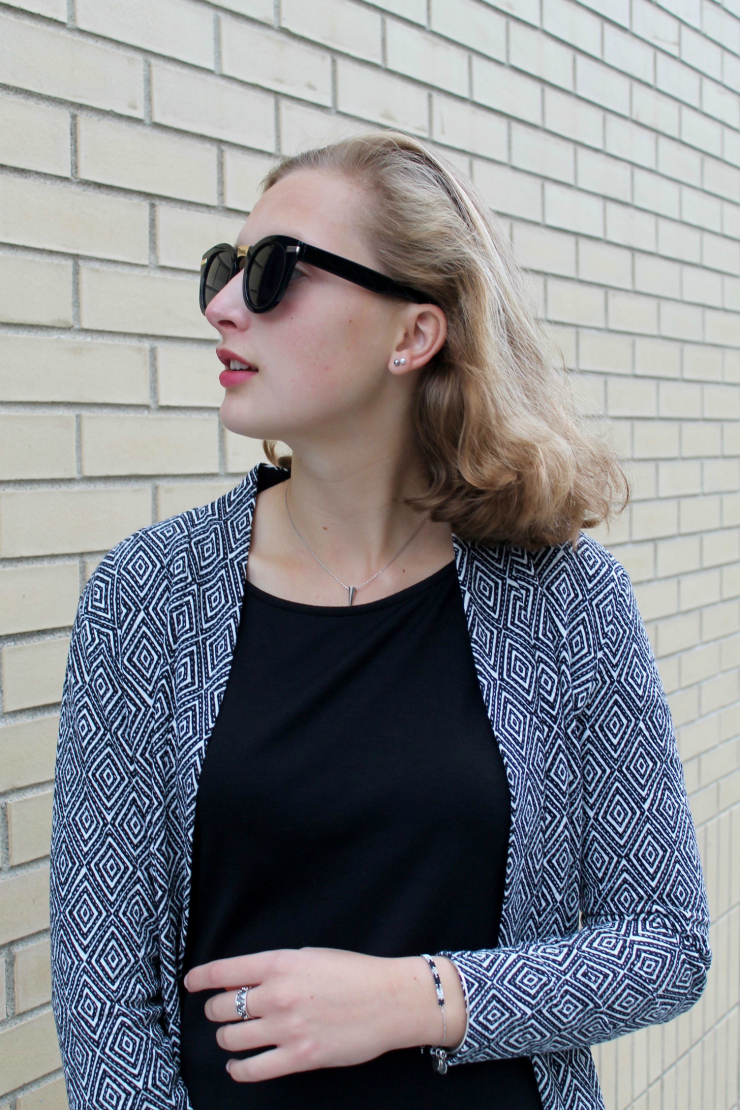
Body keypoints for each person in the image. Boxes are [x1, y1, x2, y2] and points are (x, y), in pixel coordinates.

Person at [50, 129, 711, 1110]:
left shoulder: (566, 599)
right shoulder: (147, 596)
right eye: (225, 270)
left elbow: (664, 942)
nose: (223, 306)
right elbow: (102, 997)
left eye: (274, 273)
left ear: (413, 335)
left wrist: (419, 997)